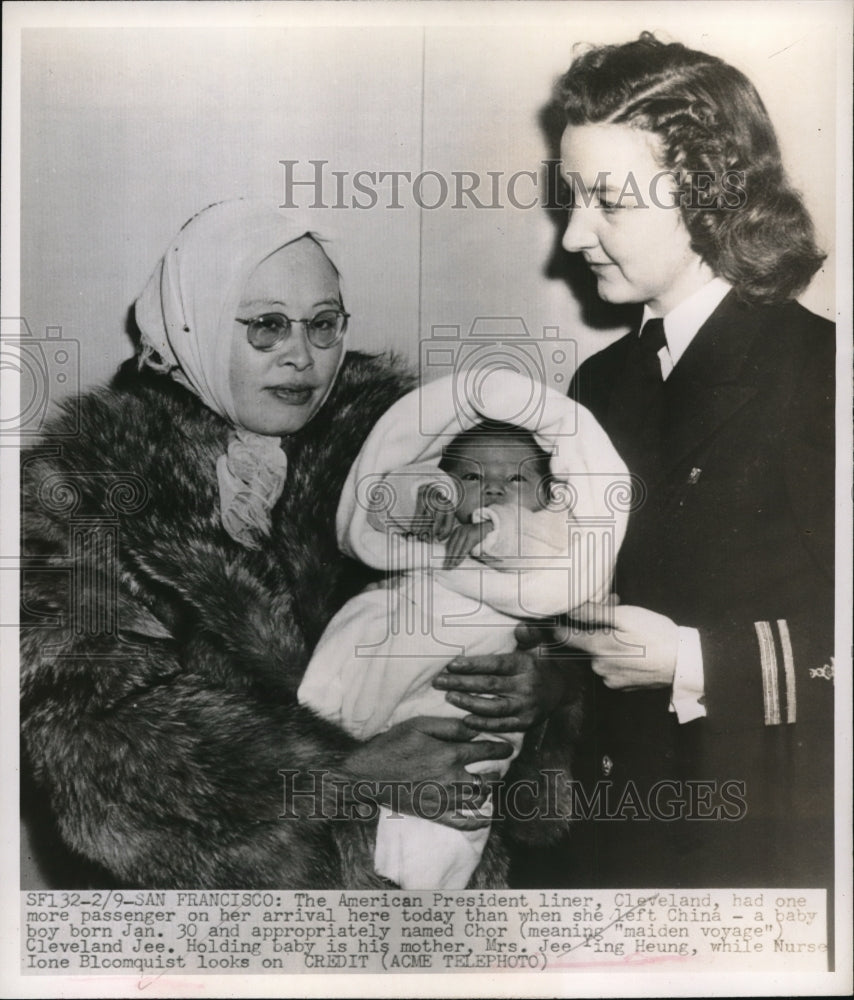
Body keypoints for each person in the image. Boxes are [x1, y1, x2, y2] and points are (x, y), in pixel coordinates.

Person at [19, 199, 518, 889]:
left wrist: (541, 690)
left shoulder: (402, 448)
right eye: (266, 326)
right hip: (226, 915)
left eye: (322, 326)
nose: (301, 355)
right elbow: (86, 740)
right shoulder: (86, 486)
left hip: (433, 891)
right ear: (192, 322)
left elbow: (518, 596)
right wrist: (344, 775)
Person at [519, 32, 833, 888]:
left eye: (608, 203)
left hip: (760, 839)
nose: (575, 235)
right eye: (572, 197)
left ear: (707, 199)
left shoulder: (818, 376)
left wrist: (694, 659)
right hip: (614, 834)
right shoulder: (601, 379)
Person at [298, 372, 628, 888]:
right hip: (389, 646)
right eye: (471, 478)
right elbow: (393, 499)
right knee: (346, 661)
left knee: (452, 816)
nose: (494, 488)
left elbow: (547, 537)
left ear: (546, 493)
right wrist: (429, 503)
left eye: (516, 480)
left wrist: (491, 527)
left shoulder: (543, 538)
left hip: (466, 689)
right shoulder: (427, 539)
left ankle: (423, 883)